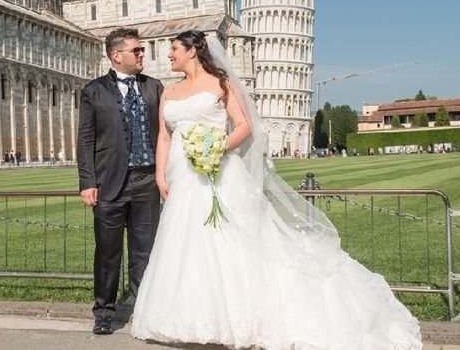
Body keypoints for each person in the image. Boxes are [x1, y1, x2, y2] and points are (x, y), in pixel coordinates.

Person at [130, 30, 422, 349]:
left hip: (220, 171)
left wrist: (219, 148)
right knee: (183, 245)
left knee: (228, 244)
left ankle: (234, 316)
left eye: (173, 49)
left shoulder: (221, 83)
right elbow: (164, 138)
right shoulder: (169, 93)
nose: (169, 54)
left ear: (193, 51)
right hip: (182, 177)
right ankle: (186, 316)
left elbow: (244, 126)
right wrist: (161, 176)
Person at [78, 27, 164, 336]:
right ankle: (104, 312)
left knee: (145, 251)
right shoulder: (93, 91)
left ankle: (144, 311)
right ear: (117, 56)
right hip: (110, 183)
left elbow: (166, 134)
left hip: (147, 181)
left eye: (142, 50)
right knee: (107, 251)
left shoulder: (154, 88)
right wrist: (87, 182)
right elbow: (85, 139)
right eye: (136, 50)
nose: (142, 54)